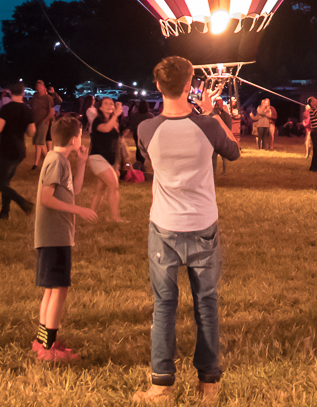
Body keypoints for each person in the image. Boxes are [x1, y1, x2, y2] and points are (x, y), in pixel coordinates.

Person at [137, 56, 240, 401]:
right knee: (206, 304)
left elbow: (148, 158)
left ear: (158, 87)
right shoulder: (208, 126)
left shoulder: (146, 129)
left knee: (164, 304)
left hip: (164, 225)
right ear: (189, 86)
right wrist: (213, 114)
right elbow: (234, 151)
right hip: (202, 225)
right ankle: (208, 384)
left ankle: (160, 383)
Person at [32, 115, 98, 361]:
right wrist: (79, 211)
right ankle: (48, 349)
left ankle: (43, 341)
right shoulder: (56, 162)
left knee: (52, 289)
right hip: (54, 235)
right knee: (59, 290)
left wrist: (81, 163)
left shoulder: (61, 160)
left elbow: (74, 190)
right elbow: (46, 198)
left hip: (58, 235)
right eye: (80, 135)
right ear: (73, 139)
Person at [0, 83, 36, 219]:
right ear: (23, 93)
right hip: (20, 150)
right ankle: (4, 213)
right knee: (6, 182)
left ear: (10, 92)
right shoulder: (27, 110)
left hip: (6, 149)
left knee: (0, 184)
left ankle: (25, 204)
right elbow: (31, 132)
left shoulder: (6, 109)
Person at [83, 97, 127, 224]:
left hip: (109, 160)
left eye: (111, 104)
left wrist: (117, 164)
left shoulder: (115, 122)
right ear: (100, 107)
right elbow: (106, 129)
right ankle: (115, 218)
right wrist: (115, 116)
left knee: (101, 189)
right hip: (97, 158)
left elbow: (116, 142)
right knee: (114, 186)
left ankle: (90, 217)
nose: (109, 106)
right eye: (106, 104)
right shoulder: (97, 120)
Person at [29, 80, 55, 173]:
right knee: (37, 144)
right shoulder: (35, 97)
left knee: (40, 143)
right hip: (35, 123)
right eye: (37, 85)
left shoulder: (48, 98)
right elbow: (31, 108)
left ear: (44, 87)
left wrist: (44, 121)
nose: (38, 87)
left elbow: (51, 112)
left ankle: (50, 163)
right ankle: (36, 164)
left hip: (43, 123)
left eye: (40, 85)